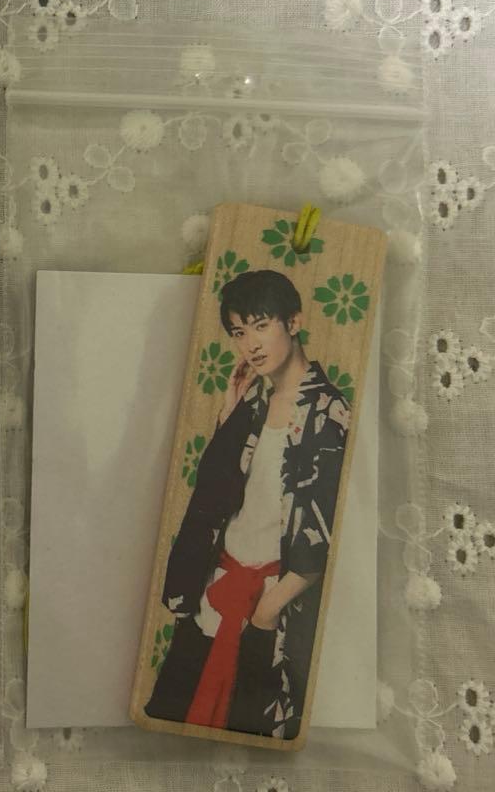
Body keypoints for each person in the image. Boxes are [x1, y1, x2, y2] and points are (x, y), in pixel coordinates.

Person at [145, 269, 350, 739]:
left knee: (247, 732)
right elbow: (212, 498)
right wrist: (229, 412)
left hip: (269, 604)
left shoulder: (329, 412)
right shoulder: (254, 403)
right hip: (217, 589)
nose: (250, 344)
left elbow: (324, 533)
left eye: (261, 325)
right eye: (239, 332)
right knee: (173, 719)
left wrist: (266, 612)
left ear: (293, 322)